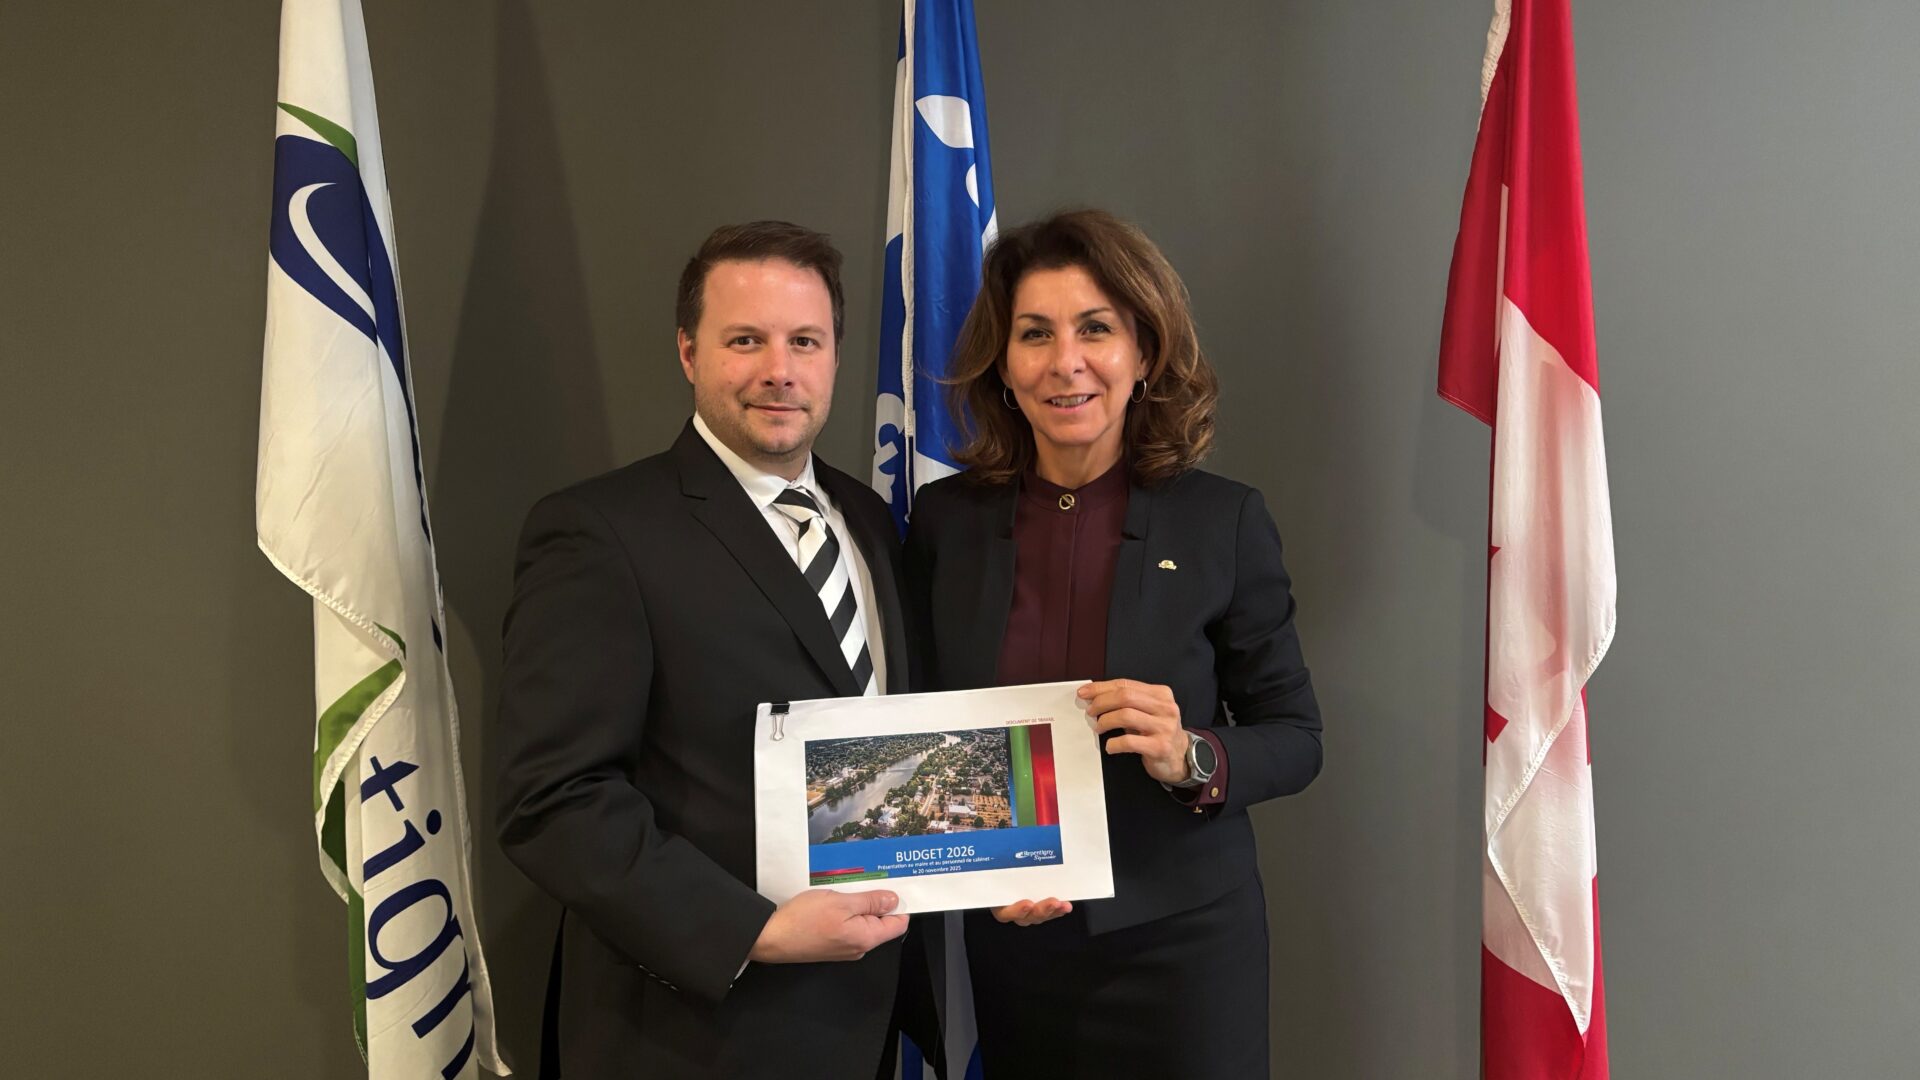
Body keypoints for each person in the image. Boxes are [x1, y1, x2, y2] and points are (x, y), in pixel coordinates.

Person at [904, 209, 1323, 1078]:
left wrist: (1191, 757)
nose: (1067, 362)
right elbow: (925, 729)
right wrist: (977, 872)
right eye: (1035, 334)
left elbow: (1295, 736)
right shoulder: (946, 522)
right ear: (1004, 365)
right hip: (1015, 945)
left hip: (1185, 951)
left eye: (1096, 328)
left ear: (1143, 352)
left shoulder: (1223, 520)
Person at [495, 221, 913, 1079]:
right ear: (688, 352)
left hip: (862, 1026)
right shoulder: (600, 532)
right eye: (745, 340)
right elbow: (552, 799)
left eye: (805, 340)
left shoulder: (871, 524)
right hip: (687, 1037)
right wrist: (749, 931)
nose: (779, 370)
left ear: (835, 355)